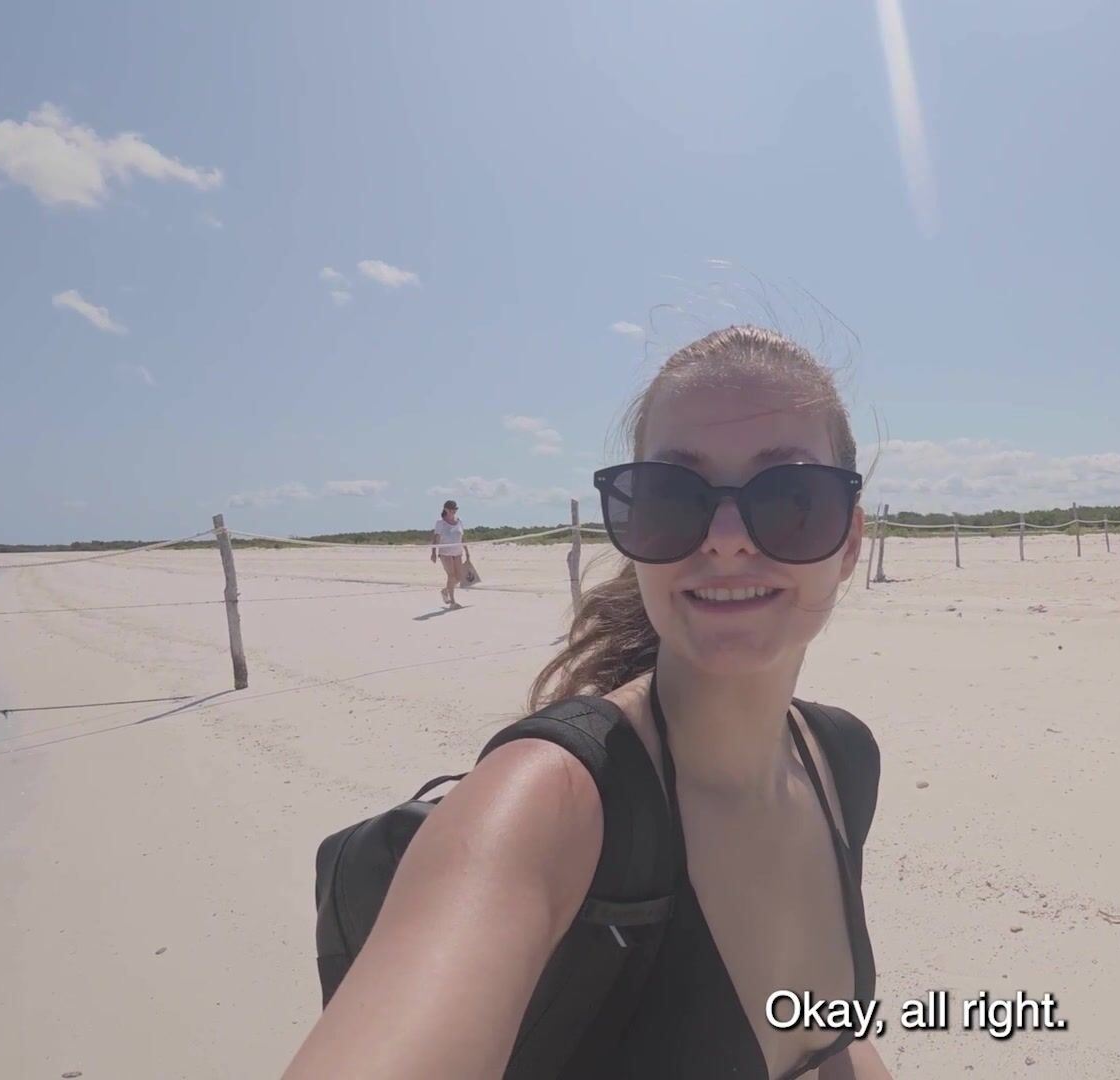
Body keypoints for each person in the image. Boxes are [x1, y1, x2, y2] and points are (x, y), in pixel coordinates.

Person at [286, 326, 892, 1079]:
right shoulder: (544, 804)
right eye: (673, 497)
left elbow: (826, 1037)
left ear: (851, 541)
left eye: (793, 497)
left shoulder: (841, 760)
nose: (727, 538)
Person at [430, 499, 468, 607]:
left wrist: (467, 552)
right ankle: (452, 601)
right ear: (446, 509)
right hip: (445, 553)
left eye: (455, 509)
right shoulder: (440, 522)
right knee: (451, 576)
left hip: (457, 552)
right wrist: (433, 552)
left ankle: (446, 590)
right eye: (451, 509)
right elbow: (436, 538)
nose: (453, 511)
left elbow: (462, 538)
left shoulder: (459, 521)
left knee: (459, 577)